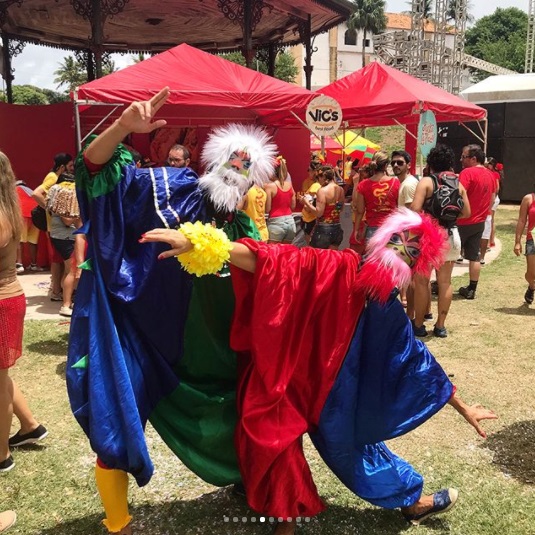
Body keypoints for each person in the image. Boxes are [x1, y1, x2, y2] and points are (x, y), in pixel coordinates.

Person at [73, 90, 497, 535]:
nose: (235, 182)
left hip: (290, 373)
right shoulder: (175, 191)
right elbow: (97, 173)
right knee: (234, 423)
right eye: (232, 169)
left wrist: (460, 404)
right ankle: (248, 511)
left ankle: (397, 500)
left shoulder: (376, 296)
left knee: (327, 435)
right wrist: (122, 129)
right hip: (197, 342)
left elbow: (416, 360)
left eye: (243, 175)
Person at [142, 208, 497, 535]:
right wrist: (202, 242)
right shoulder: (341, 267)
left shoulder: (386, 305)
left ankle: (410, 501)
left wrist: (462, 406)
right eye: (399, 246)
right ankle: (272, 508)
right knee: (267, 432)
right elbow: (276, 260)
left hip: (333, 398)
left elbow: (417, 361)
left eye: (410, 255)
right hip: (283, 378)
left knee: (353, 450)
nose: (398, 258)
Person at [0, 151, 47, 475]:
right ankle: (30, 425)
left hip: (2, 301)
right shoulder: (7, 208)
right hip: (8, 298)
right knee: (0, 376)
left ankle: (1, 454)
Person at [411, 144, 471, 338]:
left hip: (430, 237)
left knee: (422, 281)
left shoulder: (427, 182)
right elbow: (467, 212)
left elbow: (413, 210)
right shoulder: (458, 184)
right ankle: (440, 326)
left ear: (431, 164)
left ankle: (419, 325)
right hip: (451, 235)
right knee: (445, 282)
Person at [32, 153, 74, 301]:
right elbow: (36, 193)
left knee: (59, 261)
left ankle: (56, 290)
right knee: (58, 261)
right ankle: (57, 291)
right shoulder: (53, 177)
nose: (72, 169)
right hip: (57, 226)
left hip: (57, 225)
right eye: (69, 166)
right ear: (62, 167)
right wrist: (52, 208)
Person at [456, 145, 495, 299]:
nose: (461, 159)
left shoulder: (467, 173)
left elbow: (458, 194)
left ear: (473, 158)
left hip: (462, 221)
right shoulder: (490, 174)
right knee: (474, 256)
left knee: (451, 254)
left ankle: (441, 284)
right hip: (480, 221)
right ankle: (472, 289)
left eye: (463, 156)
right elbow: (492, 198)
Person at [46, 172, 82, 317]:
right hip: (65, 237)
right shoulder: (64, 195)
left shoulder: (56, 195)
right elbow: (67, 220)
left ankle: (68, 299)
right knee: (71, 270)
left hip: (62, 236)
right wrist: (79, 217)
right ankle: (66, 304)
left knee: (69, 270)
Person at [353, 151, 400, 243]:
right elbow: (399, 207)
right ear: (386, 165)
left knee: (373, 257)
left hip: (372, 229)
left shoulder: (363, 185)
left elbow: (360, 211)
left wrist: (356, 229)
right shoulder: (396, 183)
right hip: (391, 229)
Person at [392, 149, 418, 309]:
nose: (396, 165)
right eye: (393, 162)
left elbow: (411, 213)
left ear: (408, 165)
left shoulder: (408, 185)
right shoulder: (405, 183)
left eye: (400, 162)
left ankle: (411, 311)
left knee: (411, 276)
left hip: (409, 235)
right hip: (407, 234)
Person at [301, 166, 345, 250]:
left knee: (317, 258)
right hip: (337, 227)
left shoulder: (322, 191)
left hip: (323, 229)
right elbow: (341, 209)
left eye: (318, 177)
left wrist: (306, 202)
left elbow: (319, 213)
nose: (318, 180)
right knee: (331, 259)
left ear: (324, 177)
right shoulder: (341, 190)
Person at [265, 156, 296, 244]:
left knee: (272, 253)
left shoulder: (270, 186)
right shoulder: (290, 185)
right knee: (286, 253)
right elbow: (293, 206)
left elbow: (267, 209)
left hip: (276, 222)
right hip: (290, 221)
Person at [15, 179, 43, 273]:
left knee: (20, 240)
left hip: (22, 215)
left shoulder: (15, 190)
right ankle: (33, 265)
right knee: (33, 241)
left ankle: (19, 264)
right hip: (35, 216)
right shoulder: (30, 190)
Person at [513, 188, 535, 305]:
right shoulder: (529, 198)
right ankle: (532, 286)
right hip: (532, 239)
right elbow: (522, 221)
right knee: (531, 273)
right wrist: (517, 242)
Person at [479, 157, 501, 264]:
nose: (488, 165)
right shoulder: (488, 173)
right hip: (490, 199)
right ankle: (489, 242)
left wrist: (491, 199)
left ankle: (489, 242)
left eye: (490, 163)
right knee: (490, 220)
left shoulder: (494, 174)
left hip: (491, 199)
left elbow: (496, 188)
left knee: (490, 220)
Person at [297, 166, 322, 245]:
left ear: (315, 172)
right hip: (314, 219)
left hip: (310, 219)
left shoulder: (315, 186)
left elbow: (308, 206)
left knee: (311, 245)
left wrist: (303, 201)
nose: (308, 172)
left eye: (309, 170)